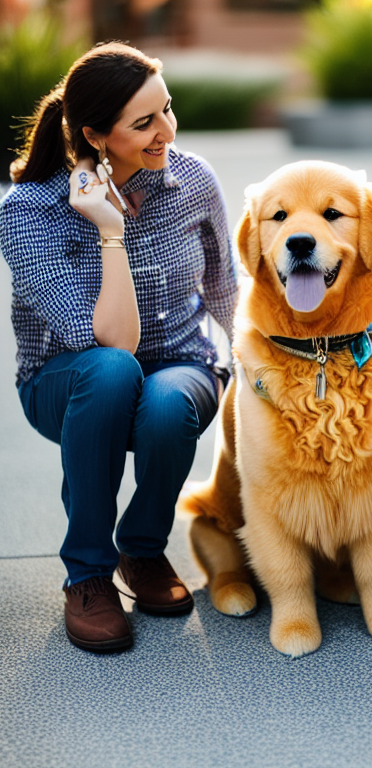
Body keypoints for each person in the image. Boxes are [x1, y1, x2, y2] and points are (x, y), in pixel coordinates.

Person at [0, 43, 237, 652]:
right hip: (69, 379)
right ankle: (88, 575)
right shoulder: (28, 212)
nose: (167, 132)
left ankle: (142, 549)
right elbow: (111, 342)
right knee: (111, 372)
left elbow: (222, 286)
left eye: (167, 110)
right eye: (144, 123)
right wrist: (111, 231)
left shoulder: (192, 179)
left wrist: (259, 362)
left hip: (181, 364)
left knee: (163, 403)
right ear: (95, 135)